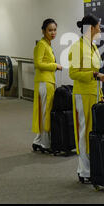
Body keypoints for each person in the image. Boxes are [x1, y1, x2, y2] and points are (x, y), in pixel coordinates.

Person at [68, 14, 104, 183]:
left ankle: (92, 167)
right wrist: (94, 74)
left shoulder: (93, 47)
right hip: (82, 94)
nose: (100, 30)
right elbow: (73, 73)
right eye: (98, 27)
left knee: (92, 131)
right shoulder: (77, 47)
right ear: (90, 28)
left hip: (94, 93)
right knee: (84, 132)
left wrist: (100, 87)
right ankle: (84, 171)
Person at [32, 18, 63, 153]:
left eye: (55, 30)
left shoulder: (47, 45)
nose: (53, 32)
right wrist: (55, 65)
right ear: (43, 31)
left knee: (43, 111)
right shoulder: (42, 45)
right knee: (45, 112)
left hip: (47, 81)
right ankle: (45, 143)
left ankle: (38, 141)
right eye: (50, 30)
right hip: (44, 82)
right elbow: (38, 64)